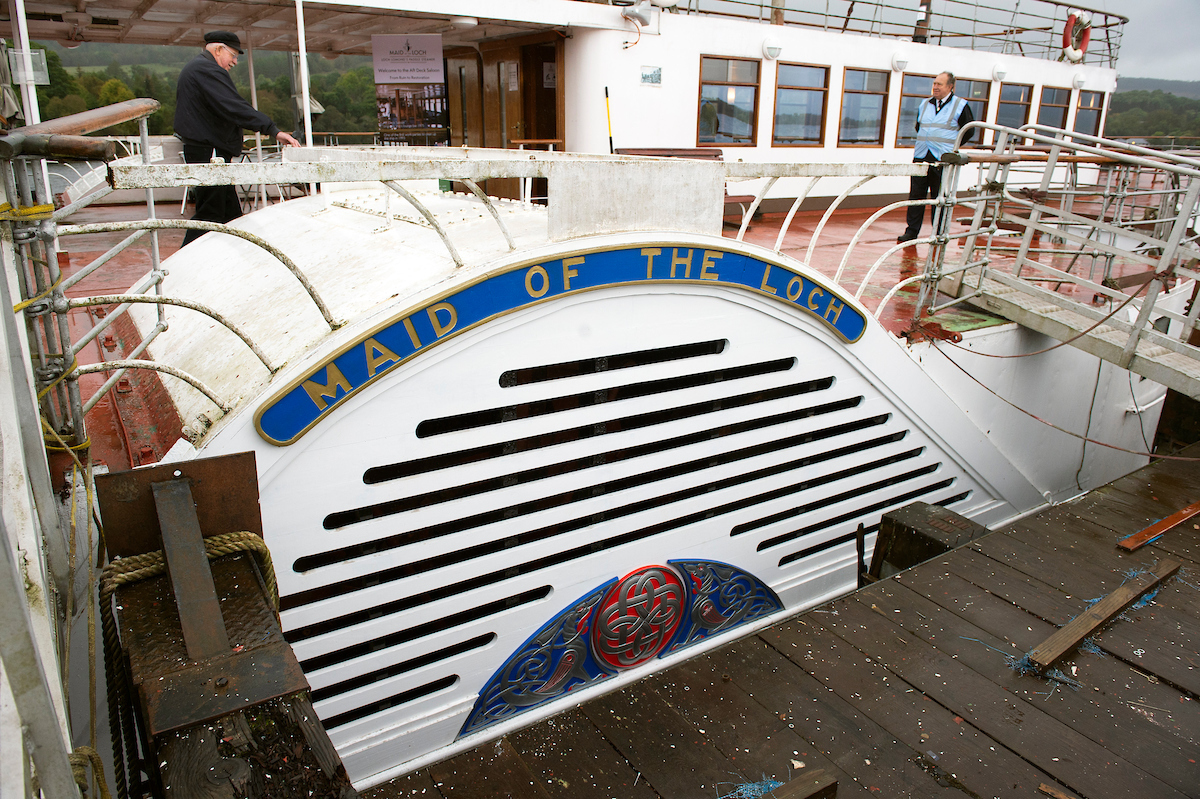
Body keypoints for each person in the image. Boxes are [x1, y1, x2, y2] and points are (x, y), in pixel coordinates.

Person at [174, 31, 300, 246]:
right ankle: (180, 267)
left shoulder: (200, 68)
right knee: (211, 213)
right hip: (210, 151)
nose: (234, 61)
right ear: (218, 49)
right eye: (233, 55)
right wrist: (273, 130)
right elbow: (233, 107)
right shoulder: (207, 69)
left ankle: (235, 260)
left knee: (229, 214)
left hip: (208, 150)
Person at [897, 71, 974, 244]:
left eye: (939, 84)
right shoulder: (925, 104)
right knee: (916, 196)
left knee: (939, 197)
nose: (935, 87)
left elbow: (968, 131)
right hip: (921, 156)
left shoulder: (960, 106)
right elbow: (919, 126)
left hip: (942, 159)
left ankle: (938, 232)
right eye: (934, 84)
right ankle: (911, 231)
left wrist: (950, 147)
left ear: (950, 87)